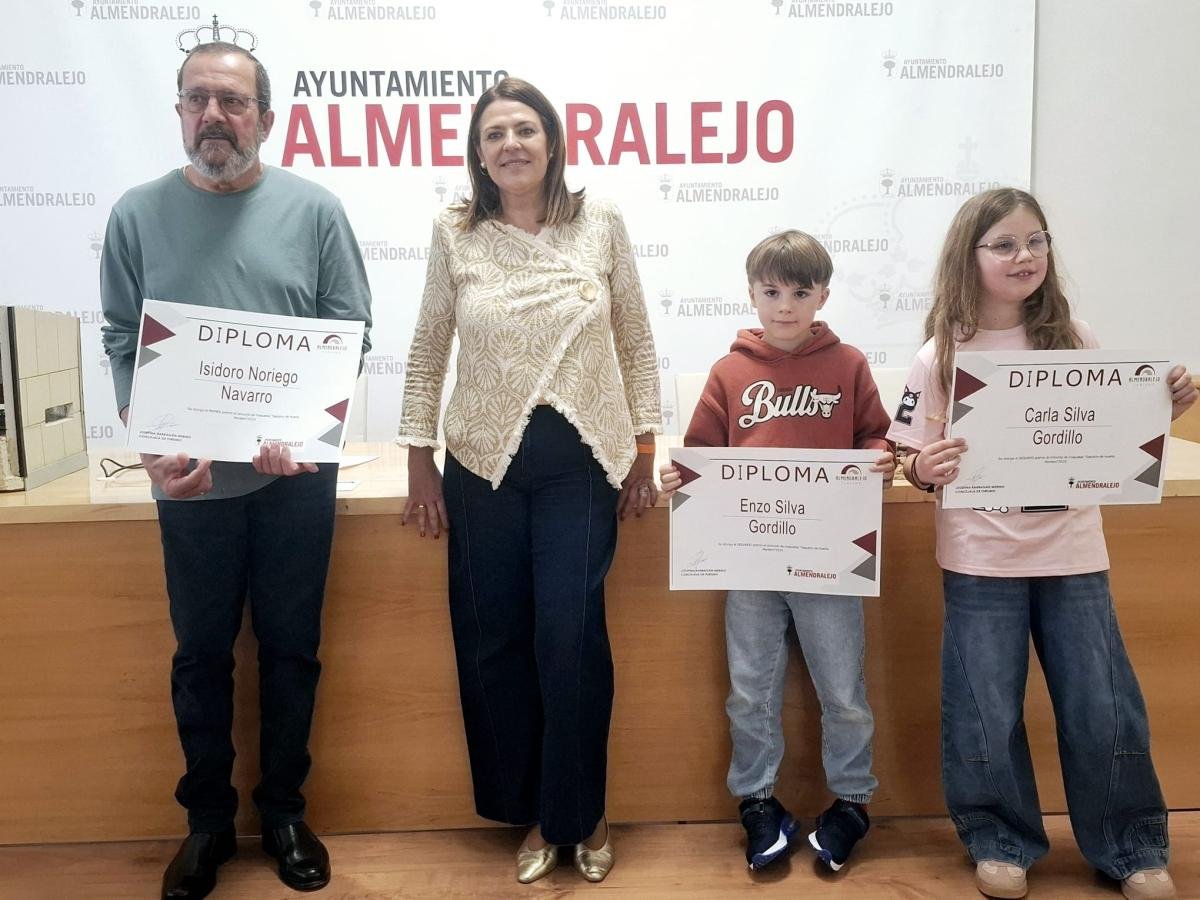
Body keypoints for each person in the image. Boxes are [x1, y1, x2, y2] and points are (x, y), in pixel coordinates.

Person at [100, 34, 372, 900]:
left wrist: (304, 422)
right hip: (190, 481)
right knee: (201, 655)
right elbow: (119, 336)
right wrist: (151, 441)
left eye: (233, 101)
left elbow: (349, 334)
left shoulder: (317, 210)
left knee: (293, 650)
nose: (215, 115)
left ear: (266, 117)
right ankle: (209, 825)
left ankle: (286, 811)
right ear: (180, 112)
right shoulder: (136, 215)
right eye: (198, 99)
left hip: (295, 480)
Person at [888, 188, 1195, 900]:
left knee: (1103, 703)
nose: (1023, 256)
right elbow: (912, 457)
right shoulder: (940, 355)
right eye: (1003, 244)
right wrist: (924, 469)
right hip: (980, 559)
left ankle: (1129, 845)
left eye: (1035, 241)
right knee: (983, 707)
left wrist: (1163, 403)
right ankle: (1000, 839)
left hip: (1074, 554)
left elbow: (1114, 432)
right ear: (969, 257)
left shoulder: (1075, 338)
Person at [396, 77, 661, 884]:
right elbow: (428, 345)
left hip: (580, 464)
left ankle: (580, 813)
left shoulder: (601, 223)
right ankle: (531, 810)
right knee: (494, 638)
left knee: (568, 634)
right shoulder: (456, 235)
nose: (510, 143)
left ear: (551, 141)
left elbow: (637, 340)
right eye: (493, 134)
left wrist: (644, 450)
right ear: (478, 154)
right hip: (481, 462)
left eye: (525, 129)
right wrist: (418, 462)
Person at [659, 230, 894, 873]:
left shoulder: (848, 365)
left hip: (831, 560)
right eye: (771, 292)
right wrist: (681, 476)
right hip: (749, 562)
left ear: (822, 294)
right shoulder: (729, 372)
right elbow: (701, 454)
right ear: (752, 295)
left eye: (799, 292)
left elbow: (875, 437)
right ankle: (759, 803)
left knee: (843, 690)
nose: (784, 306)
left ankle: (851, 802)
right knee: (749, 690)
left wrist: (879, 461)